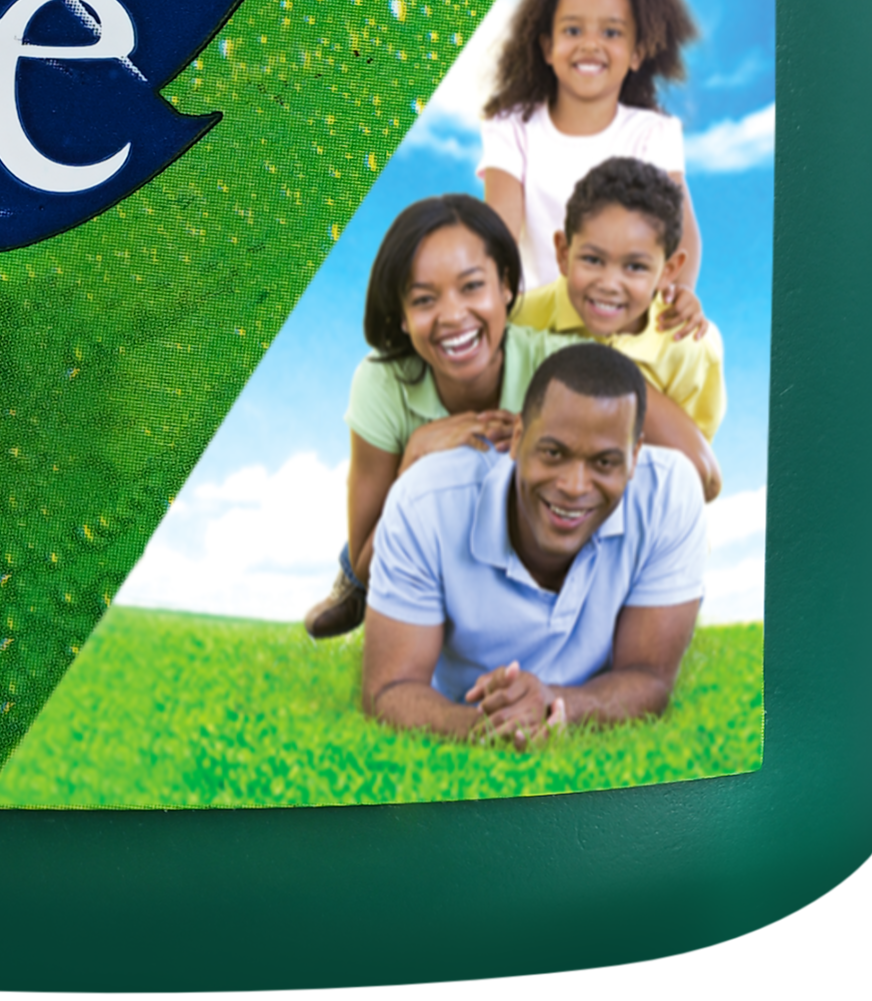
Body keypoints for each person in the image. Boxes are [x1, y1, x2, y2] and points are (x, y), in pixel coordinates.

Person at [361, 341, 707, 747]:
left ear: (635, 456)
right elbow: (389, 689)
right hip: (459, 704)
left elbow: (650, 677)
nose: (574, 486)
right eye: (553, 453)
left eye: (604, 462)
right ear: (519, 437)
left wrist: (555, 705)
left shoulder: (668, 494)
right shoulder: (426, 502)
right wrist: (489, 728)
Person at [302, 194, 579, 642]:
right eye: (424, 299)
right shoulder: (382, 382)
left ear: (506, 286)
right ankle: (349, 591)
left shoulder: (558, 366)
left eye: (472, 286)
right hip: (425, 543)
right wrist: (413, 462)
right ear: (403, 317)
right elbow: (369, 564)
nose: (452, 316)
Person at [476, 0, 704, 328]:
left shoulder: (651, 134)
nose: (590, 45)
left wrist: (681, 293)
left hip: (623, 322)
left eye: (611, 33)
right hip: (540, 324)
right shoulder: (513, 129)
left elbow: (681, 231)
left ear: (637, 52)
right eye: (573, 30)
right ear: (547, 47)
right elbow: (500, 231)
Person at [511, 155, 726, 501]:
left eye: (635, 267)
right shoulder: (523, 318)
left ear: (669, 271)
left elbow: (696, 476)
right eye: (592, 260)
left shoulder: (690, 346)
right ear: (563, 253)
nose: (609, 284)